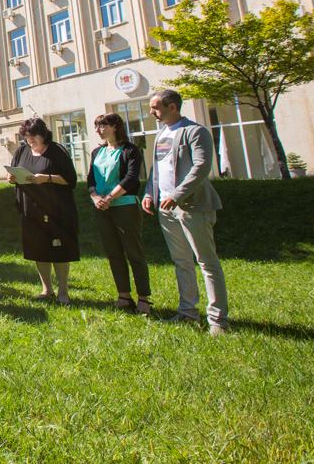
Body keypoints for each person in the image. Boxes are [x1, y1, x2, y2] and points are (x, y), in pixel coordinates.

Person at [143, 89, 229, 336]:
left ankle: (218, 320)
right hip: (165, 207)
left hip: (192, 207)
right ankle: (188, 312)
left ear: (172, 107)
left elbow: (201, 167)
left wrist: (177, 195)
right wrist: (149, 193)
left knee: (207, 263)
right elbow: (156, 169)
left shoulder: (195, 131)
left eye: (156, 107)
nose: (151, 112)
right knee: (181, 261)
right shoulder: (161, 134)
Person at [7, 117, 80, 305]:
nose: (30, 140)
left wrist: (46, 178)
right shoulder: (22, 151)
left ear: (43, 134)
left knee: (59, 250)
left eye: (33, 136)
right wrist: (12, 177)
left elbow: (70, 179)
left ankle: (63, 291)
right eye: (26, 136)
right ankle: (47, 289)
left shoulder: (57, 151)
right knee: (38, 249)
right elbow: (13, 172)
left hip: (56, 209)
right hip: (31, 210)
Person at [88, 113, 151, 315]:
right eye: (97, 126)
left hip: (124, 206)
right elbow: (90, 180)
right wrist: (96, 198)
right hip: (102, 208)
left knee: (134, 252)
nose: (98, 130)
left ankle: (144, 298)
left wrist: (110, 197)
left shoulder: (130, 150)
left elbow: (131, 178)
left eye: (102, 126)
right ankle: (124, 295)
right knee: (113, 253)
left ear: (115, 126)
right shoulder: (97, 152)